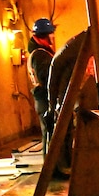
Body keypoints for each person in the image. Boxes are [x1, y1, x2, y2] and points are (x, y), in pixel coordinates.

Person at [27, 17, 56, 151]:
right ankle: (51, 167)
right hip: (45, 99)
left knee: (49, 133)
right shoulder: (41, 55)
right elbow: (46, 78)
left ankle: (52, 165)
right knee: (51, 134)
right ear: (44, 35)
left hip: (42, 98)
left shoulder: (40, 52)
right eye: (51, 33)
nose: (53, 36)